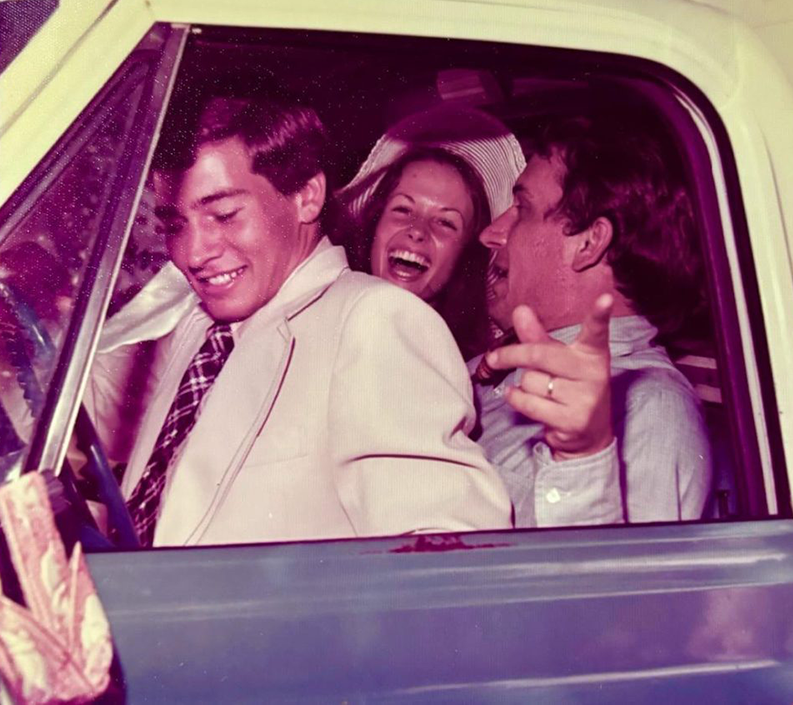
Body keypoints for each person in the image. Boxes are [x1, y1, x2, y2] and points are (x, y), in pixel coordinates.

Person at [84, 98, 512, 547]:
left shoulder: (376, 320)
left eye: (225, 215)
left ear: (307, 196)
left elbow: (450, 553)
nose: (192, 254)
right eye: (175, 225)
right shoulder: (201, 326)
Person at [471, 115, 713, 527]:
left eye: (522, 209)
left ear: (589, 242)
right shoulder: (499, 363)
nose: (491, 234)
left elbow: (609, 588)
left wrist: (581, 456)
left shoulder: (649, 411)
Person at [335, 103, 526, 359]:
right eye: (403, 209)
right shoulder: (318, 325)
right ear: (375, 224)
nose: (417, 231)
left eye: (445, 222)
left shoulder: (466, 369)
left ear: (465, 256)